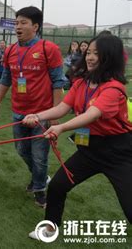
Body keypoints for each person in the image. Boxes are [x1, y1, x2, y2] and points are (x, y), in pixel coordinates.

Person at [25, 35, 132, 240]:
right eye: (88, 52)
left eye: (96, 54)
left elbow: (92, 115)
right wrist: (37, 116)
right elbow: (63, 107)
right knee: (57, 186)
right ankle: (50, 229)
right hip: (90, 150)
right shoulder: (82, 83)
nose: (90, 57)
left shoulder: (114, 88)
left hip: (119, 152)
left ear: (110, 57)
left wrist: (61, 128)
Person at [0, 6, 65, 207]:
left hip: (42, 113)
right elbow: (6, 77)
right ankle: (40, 178)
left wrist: (55, 114)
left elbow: (58, 81)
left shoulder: (49, 49)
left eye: (23, 23)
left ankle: (40, 189)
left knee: (40, 157)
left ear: (35, 26)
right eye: (16, 23)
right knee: (22, 150)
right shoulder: (11, 51)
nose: (18, 27)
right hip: (18, 112)